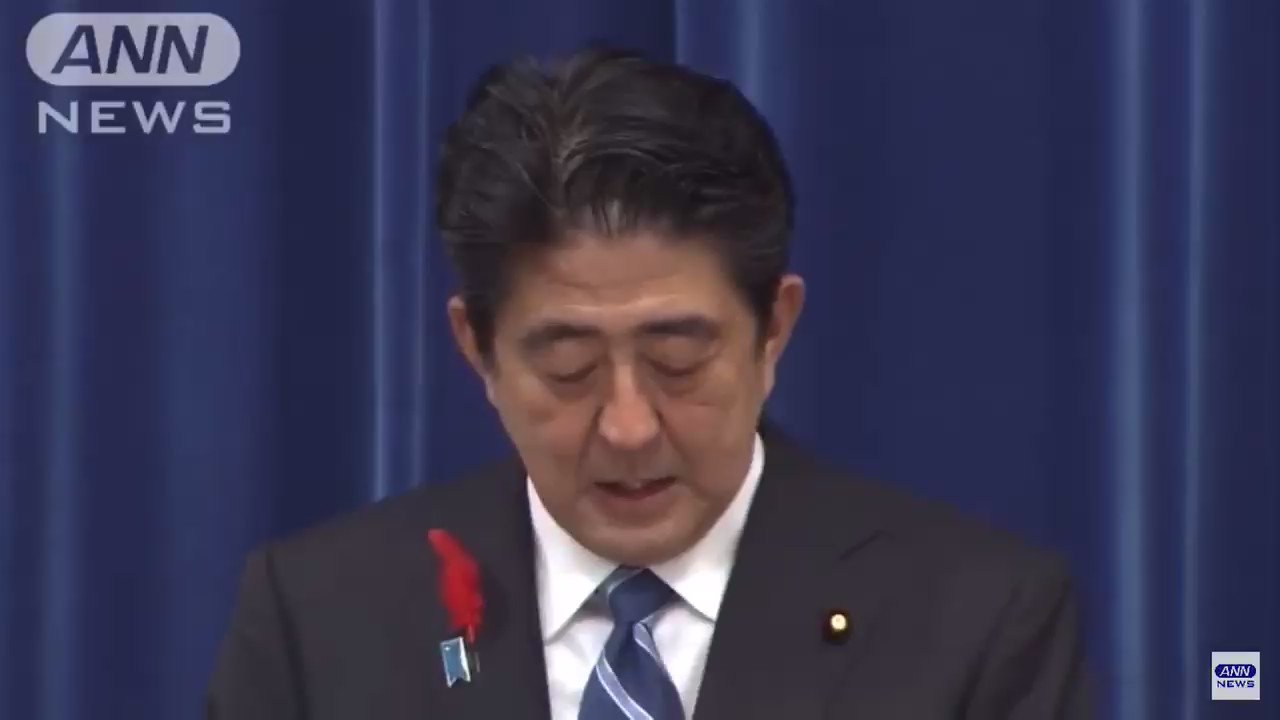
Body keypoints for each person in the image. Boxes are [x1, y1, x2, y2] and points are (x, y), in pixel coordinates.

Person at [205, 46, 1091, 719]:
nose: (628, 428)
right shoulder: (321, 621)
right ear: (477, 349)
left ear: (773, 329)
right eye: (568, 367)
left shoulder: (977, 624)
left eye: (678, 361)